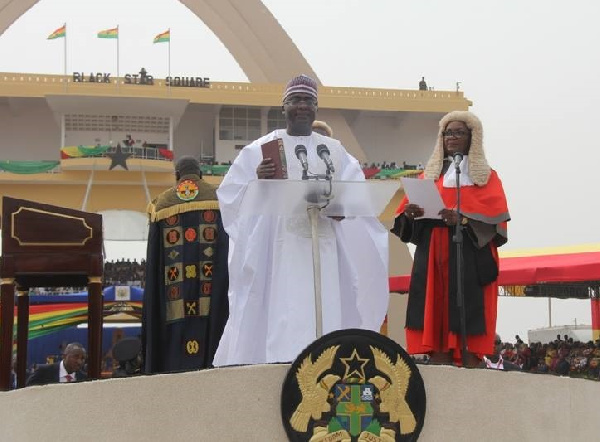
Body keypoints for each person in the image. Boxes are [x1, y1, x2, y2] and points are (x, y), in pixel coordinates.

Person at [213, 74, 389, 366]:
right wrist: (258, 181)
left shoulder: (336, 151)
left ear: (316, 107)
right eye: (295, 101)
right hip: (278, 250)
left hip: (325, 246)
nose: (302, 107)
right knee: (283, 310)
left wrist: (344, 207)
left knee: (327, 308)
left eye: (308, 101)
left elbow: (357, 197)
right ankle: (279, 366)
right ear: (283, 107)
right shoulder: (260, 150)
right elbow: (231, 197)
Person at [391, 111, 510, 367]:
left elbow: (496, 223)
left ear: (472, 137)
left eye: (458, 132)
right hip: (433, 254)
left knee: (466, 311)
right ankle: (440, 358)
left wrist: (463, 219)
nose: (452, 137)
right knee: (435, 310)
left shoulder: (487, 177)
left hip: (469, 254)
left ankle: (469, 360)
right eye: (447, 132)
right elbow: (402, 220)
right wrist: (410, 215)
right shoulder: (429, 176)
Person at [142, 156, 229, 373]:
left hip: (175, 298)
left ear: (177, 175)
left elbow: (154, 258)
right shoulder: (220, 198)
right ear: (200, 174)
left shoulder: (160, 204)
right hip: (210, 296)